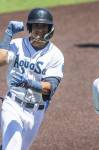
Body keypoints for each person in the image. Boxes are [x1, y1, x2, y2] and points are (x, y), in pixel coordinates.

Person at [0, 8, 64, 150]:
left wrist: (29, 83)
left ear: (50, 29)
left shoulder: (55, 55)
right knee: (12, 146)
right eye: (36, 25)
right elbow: (1, 60)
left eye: (43, 26)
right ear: (30, 27)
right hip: (13, 105)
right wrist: (8, 34)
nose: (39, 29)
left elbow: (50, 87)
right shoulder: (17, 45)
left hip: (36, 112)